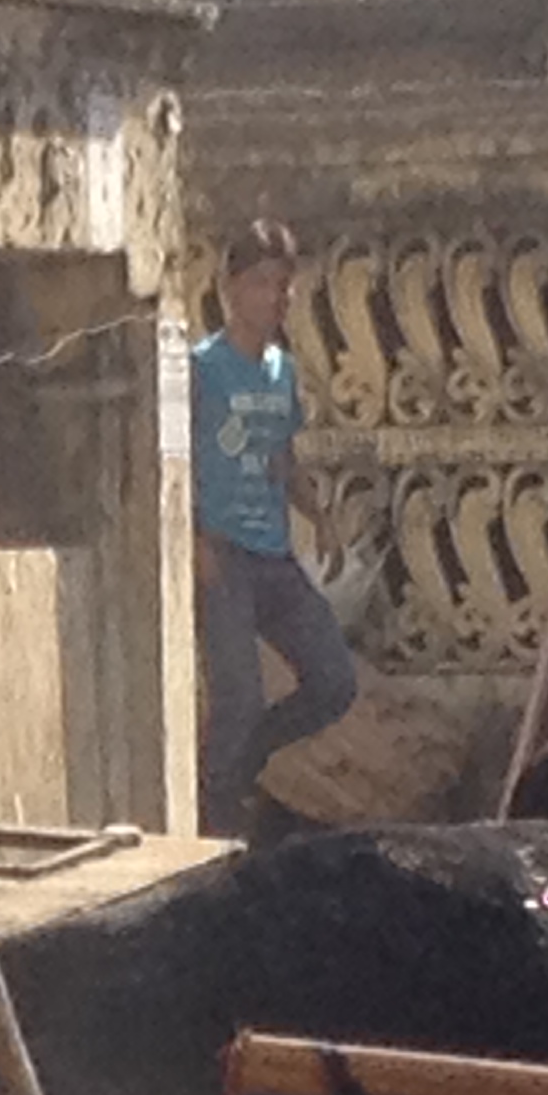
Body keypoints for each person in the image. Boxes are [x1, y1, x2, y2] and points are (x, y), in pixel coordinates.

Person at [193, 217, 354, 841]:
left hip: (273, 554)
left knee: (334, 681)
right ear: (231, 287)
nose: (277, 297)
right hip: (225, 556)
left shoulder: (282, 371)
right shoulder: (202, 369)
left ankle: (241, 767)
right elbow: (170, 464)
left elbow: (282, 457)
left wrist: (321, 518)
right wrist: (194, 540)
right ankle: (216, 823)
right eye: (263, 283)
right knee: (238, 696)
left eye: (284, 284)